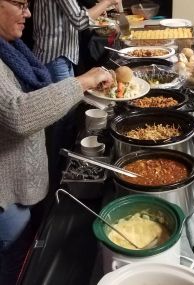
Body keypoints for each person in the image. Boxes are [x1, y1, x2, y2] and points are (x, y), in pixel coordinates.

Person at [0, 1, 114, 284]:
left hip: (22, 188)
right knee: (12, 263)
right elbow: (19, 114)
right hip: (7, 195)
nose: (28, 14)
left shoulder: (10, 47)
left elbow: (36, 102)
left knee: (22, 253)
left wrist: (82, 88)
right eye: (20, 5)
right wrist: (82, 82)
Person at [32, 0, 121, 191]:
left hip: (57, 55)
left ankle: (61, 172)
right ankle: (56, 180)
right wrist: (107, 2)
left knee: (66, 119)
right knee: (62, 119)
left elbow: (77, 16)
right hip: (56, 57)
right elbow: (80, 20)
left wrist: (98, 12)